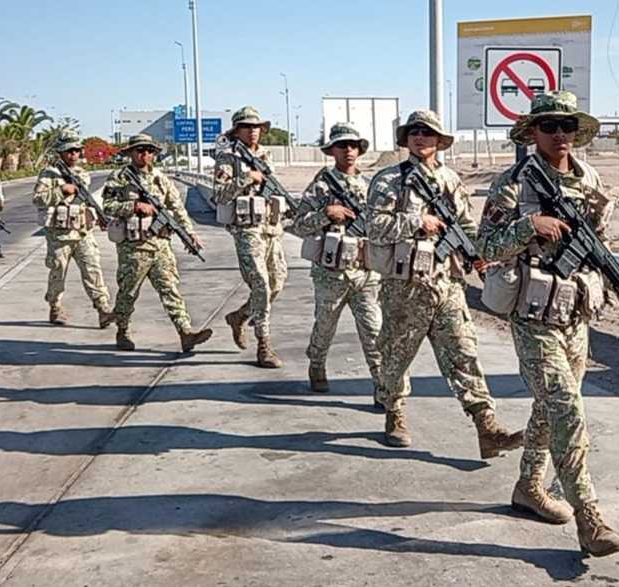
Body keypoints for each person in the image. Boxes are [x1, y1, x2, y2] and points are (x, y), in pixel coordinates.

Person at [478, 90, 619, 557]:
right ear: (533, 132)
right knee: (566, 408)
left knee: (550, 408)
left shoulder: (589, 180)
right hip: (533, 316)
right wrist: (530, 226)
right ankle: (589, 517)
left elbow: (598, 244)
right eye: (549, 126)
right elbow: (484, 247)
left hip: (575, 316)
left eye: (567, 125)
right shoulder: (513, 184)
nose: (560, 134)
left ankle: (528, 487)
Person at [366, 109, 523, 459]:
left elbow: (466, 225)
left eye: (428, 132)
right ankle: (395, 412)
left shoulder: (451, 180)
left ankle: (487, 426)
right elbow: (372, 226)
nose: (421, 137)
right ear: (406, 139)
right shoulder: (388, 180)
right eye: (415, 132)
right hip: (404, 285)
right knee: (395, 356)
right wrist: (415, 220)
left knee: (464, 353)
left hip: (447, 285)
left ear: (439, 141)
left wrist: (477, 255)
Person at [290, 122, 384, 404]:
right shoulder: (320, 185)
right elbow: (298, 225)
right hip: (330, 273)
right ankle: (316, 363)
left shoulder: (372, 186)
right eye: (342, 146)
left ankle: (384, 390)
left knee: (374, 333)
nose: (349, 151)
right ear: (332, 150)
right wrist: (325, 214)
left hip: (366, 273)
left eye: (353, 146)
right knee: (325, 326)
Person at [102, 134, 212, 353]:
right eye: (140, 150)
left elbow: (178, 209)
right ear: (131, 153)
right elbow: (107, 205)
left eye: (149, 151)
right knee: (128, 293)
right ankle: (122, 331)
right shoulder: (120, 177)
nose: (145, 155)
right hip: (134, 247)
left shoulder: (161, 179)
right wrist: (133, 206)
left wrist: (189, 234)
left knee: (170, 289)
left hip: (160, 245)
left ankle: (185, 333)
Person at [214, 106, 288, 368]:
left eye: (256, 127)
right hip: (246, 230)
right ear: (236, 130)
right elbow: (220, 195)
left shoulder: (266, 155)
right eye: (247, 127)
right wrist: (247, 177)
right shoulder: (228, 158)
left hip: (270, 228)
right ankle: (264, 346)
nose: (253, 131)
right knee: (261, 286)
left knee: (277, 282)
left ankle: (240, 316)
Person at [31, 131, 114, 327]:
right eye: (69, 151)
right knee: (58, 273)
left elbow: (86, 200)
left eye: (76, 151)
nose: (73, 155)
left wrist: (100, 217)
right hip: (59, 235)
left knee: (93, 269)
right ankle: (55, 307)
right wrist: (61, 190)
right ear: (61, 152)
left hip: (83, 232)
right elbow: (37, 199)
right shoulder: (49, 174)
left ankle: (103, 309)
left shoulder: (82, 174)